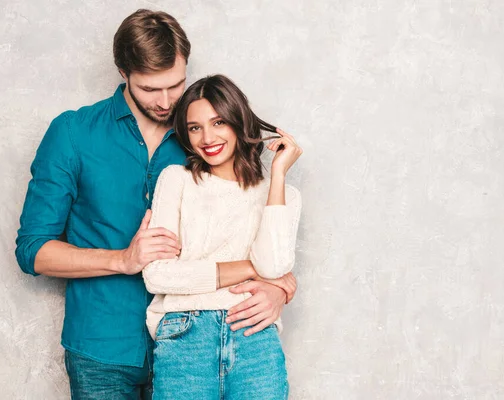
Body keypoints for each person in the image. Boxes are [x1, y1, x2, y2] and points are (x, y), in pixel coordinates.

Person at [15, 9, 296, 399]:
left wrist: (279, 288)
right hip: (103, 349)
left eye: (175, 85)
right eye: (150, 89)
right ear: (122, 71)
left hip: (200, 349)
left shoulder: (204, 135)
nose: (166, 102)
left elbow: (253, 219)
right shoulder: (73, 132)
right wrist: (122, 260)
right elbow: (33, 250)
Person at [142, 74, 302, 399]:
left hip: (254, 336)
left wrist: (279, 174)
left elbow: (272, 266)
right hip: (186, 336)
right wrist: (249, 269)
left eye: (218, 122)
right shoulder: (177, 181)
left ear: (237, 121)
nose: (207, 137)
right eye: (195, 127)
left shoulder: (284, 196)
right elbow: (158, 275)